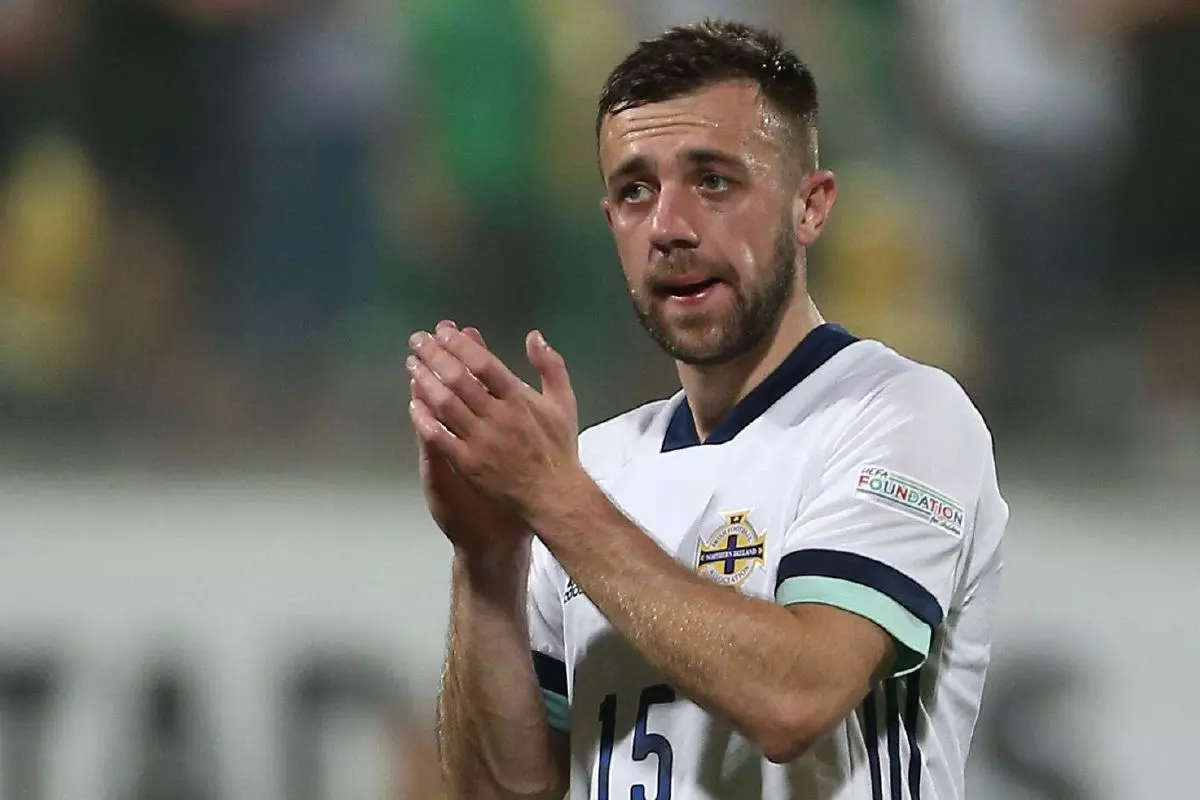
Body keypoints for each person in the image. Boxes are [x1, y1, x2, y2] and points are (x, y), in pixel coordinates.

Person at [406, 20, 1007, 800]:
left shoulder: (899, 416)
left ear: (811, 207)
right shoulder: (595, 466)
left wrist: (554, 498)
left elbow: (797, 701)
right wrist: (488, 563)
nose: (669, 228)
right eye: (634, 191)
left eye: (714, 181)